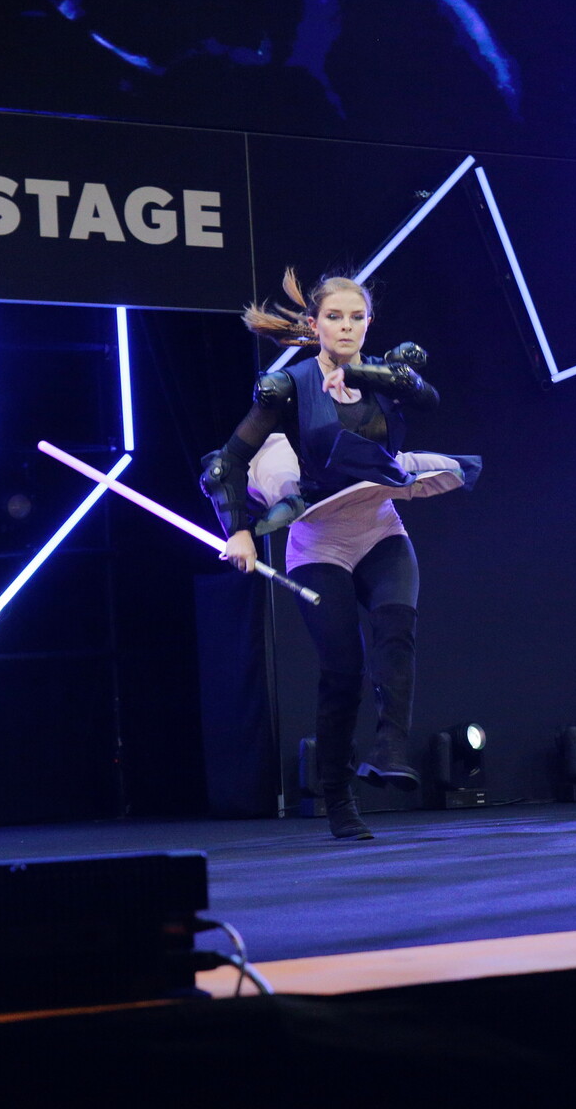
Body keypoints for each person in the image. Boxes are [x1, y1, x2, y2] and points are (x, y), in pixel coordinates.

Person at [201, 269, 477, 840]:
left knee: (397, 630)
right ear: (315, 324)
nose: (346, 327)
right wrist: (239, 531)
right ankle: (337, 798)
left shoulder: (387, 378)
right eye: (334, 317)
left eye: (357, 317)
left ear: (369, 323)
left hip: (379, 528)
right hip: (319, 540)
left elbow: (428, 398)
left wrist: (361, 373)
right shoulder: (289, 387)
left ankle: (390, 750)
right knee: (342, 672)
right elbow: (225, 463)